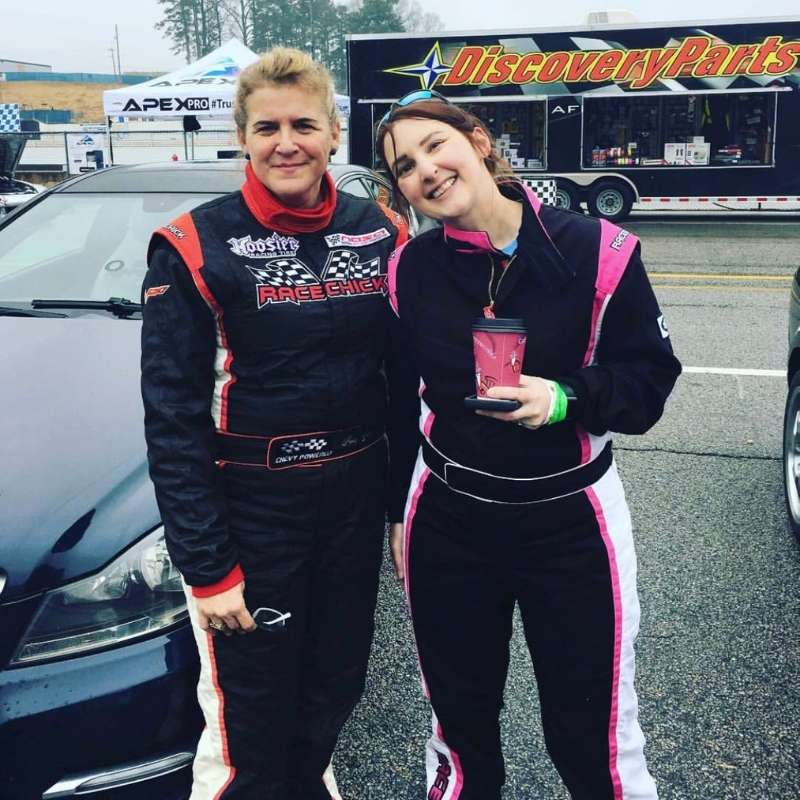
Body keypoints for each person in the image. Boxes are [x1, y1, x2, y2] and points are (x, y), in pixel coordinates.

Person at [378, 91, 681, 800]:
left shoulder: (598, 251)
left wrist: (566, 398)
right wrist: (396, 512)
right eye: (405, 167)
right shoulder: (409, 270)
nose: (425, 170)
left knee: (592, 732)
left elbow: (649, 381)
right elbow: (396, 401)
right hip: (448, 518)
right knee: (459, 724)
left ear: (478, 139)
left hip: (571, 520)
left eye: (434, 145)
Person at [140, 48, 406, 800]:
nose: (285, 142)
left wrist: (395, 508)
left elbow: (402, 382)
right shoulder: (192, 245)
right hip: (253, 511)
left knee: (333, 688)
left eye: (303, 124)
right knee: (247, 731)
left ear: (332, 132)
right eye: (267, 127)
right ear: (243, 137)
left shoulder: (380, 229)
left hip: (351, 501)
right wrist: (208, 567)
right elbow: (171, 421)